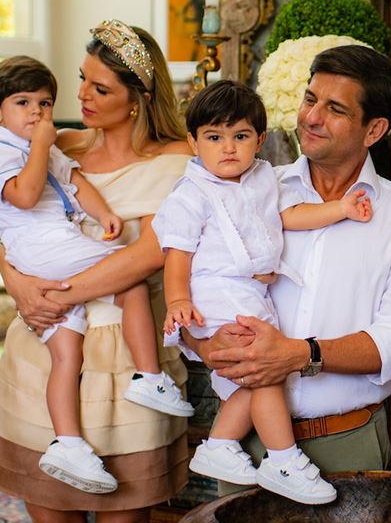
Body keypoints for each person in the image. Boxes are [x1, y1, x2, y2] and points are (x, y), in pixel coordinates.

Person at [182, 45, 391, 490]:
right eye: (309, 99)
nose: (311, 117)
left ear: (374, 129)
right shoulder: (243, 191)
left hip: (348, 441)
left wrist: (303, 354)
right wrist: (208, 348)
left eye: (334, 108)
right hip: (243, 443)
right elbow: (188, 286)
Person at [0, 19, 193, 522]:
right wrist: (21, 289)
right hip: (44, 346)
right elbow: (11, 234)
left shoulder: (180, 162)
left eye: (100, 88)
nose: (80, 96)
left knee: (126, 510)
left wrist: (53, 295)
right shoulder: (61, 147)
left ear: (139, 96)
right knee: (47, 507)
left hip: (127, 358)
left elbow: (148, 255)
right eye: (81, 80)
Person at [156, 80, 372, 504]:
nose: (228, 148)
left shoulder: (261, 179)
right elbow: (176, 255)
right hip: (217, 292)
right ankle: (283, 457)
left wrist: (341, 209)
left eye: (240, 136)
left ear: (260, 139)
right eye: (214, 138)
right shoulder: (190, 194)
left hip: (252, 296)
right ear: (192, 142)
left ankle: (219, 443)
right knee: (265, 368)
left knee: (253, 378)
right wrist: (178, 300)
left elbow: (289, 216)